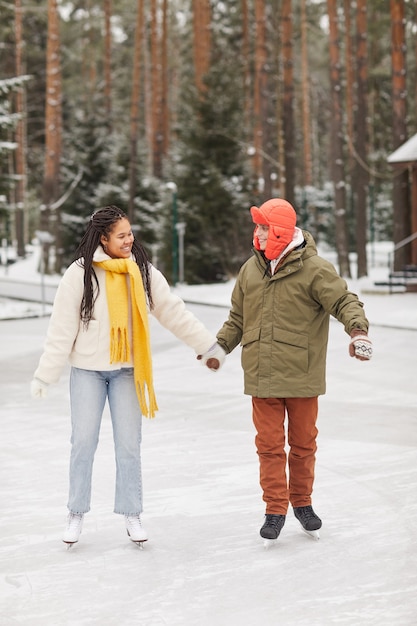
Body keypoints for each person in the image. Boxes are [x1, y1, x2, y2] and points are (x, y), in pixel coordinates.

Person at [31, 205, 225, 546]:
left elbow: (172, 311)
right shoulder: (80, 274)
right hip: (88, 372)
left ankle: (132, 513)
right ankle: (76, 513)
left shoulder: (142, 272)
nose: (129, 240)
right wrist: (45, 375)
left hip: (127, 373)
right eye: (121, 235)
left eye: (130, 233)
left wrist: (208, 345)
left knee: (128, 447)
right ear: (103, 238)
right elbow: (61, 329)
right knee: (83, 444)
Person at [214, 198, 372, 542]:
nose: (258, 233)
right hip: (261, 373)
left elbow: (344, 300)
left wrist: (357, 330)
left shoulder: (314, 269)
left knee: (302, 445)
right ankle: (274, 509)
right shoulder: (250, 270)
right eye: (257, 227)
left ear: (282, 232)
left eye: (265, 228)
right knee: (268, 446)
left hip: (301, 373)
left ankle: (302, 502)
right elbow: (237, 319)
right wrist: (220, 347)